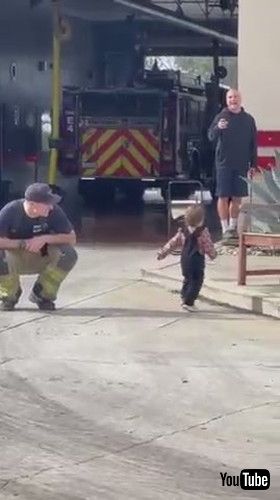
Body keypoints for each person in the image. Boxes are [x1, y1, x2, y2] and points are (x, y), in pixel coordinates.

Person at [0, 183, 78, 311]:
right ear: (32, 204)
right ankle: (9, 295)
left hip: (41, 255)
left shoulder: (55, 211)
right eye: (47, 203)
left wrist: (44, 239)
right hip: (14, 258)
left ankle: (42, 294)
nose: (51, 207)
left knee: (68, 255)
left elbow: (71, 238)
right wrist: (23, 243)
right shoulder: (10, 211)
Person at [208, 88, 257, 242]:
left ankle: (232, 228)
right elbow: (210, 136)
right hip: (223, 164)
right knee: (223, 196)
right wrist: (218, 128)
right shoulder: (221, 117)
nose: (232, 100)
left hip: (241, 164)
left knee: (237, 198)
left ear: (240, 99)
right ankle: (224, 229)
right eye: (230, 97)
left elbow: (253, 144)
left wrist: (253, 164)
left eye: (235, 97)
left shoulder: (248, 119)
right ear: (226, 100)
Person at [157, 205, 216, 312]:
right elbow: (208, 245)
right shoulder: (203, 232)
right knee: (197, 280)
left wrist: (163, 252)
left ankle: (184, 296)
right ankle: (189, 302)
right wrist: (212, 254)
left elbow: (173, 242)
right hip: (196, 259)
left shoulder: (182, 231)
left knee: (187, 278)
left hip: (184, 259)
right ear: (201, 220)